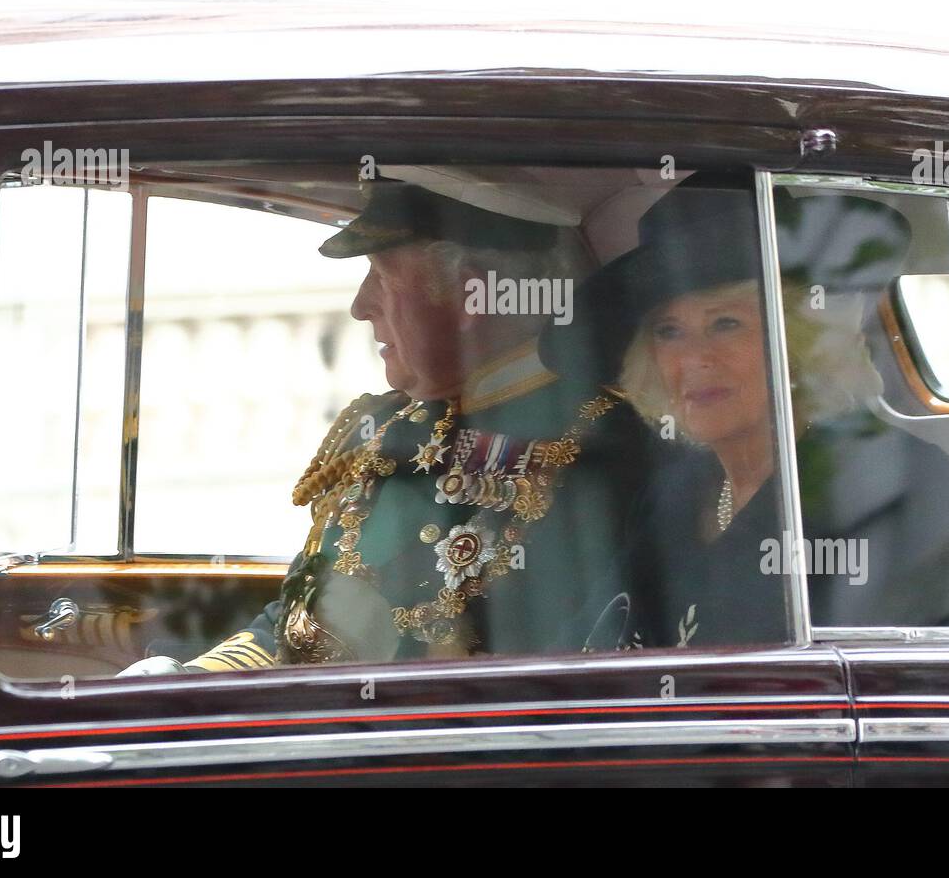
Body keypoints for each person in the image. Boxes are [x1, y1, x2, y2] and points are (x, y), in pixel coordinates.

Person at [123, 177, 650, 674]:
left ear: (471, 295)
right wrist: (192, 683)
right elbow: (299, 625)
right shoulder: (383, 428)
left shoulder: (619, 450)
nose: (360, 306)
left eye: (381, 275)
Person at [540, 172, 949, 651]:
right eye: (668, 331)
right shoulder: (675, 491)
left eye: (725, 323)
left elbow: (869, 692)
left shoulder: (894, 478)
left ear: (798, 344)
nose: (693, 359)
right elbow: (589, 646)